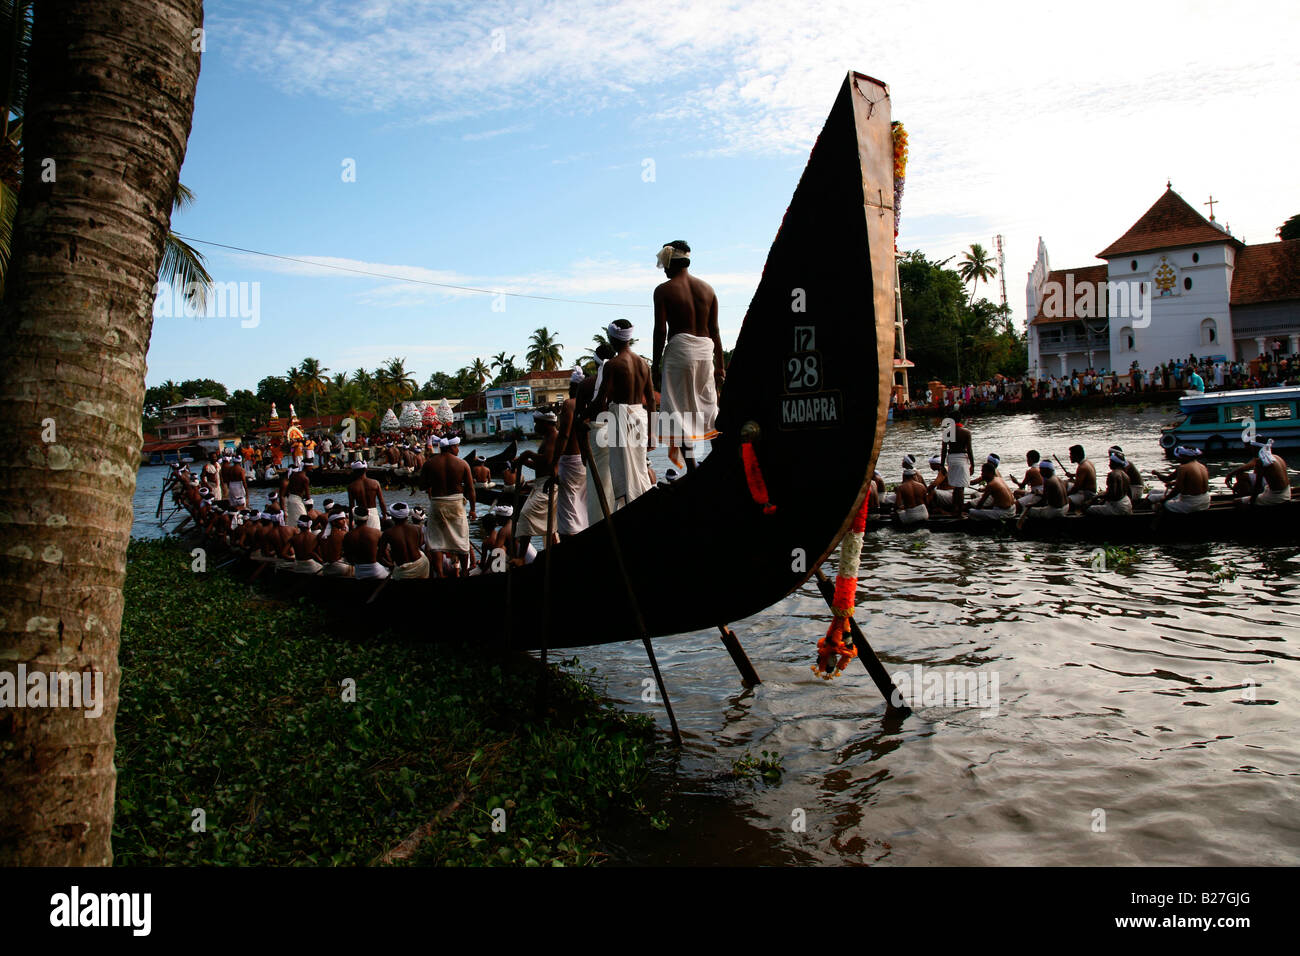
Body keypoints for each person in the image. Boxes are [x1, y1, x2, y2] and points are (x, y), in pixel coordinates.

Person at [651, 240, 722, 473]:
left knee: (676, 410)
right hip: (705, 350)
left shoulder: (663, 290)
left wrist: (655, 365)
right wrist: (720, 365)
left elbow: (660, 330)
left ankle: (691, 467)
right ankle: (720, 455)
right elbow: (715, 331)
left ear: (671, 263)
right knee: (708, 404)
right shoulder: (708, 289)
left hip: (679, 350)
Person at [596, 319, 656, 510]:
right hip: (640, 417)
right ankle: (644, 506)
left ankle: (633, 510)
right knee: (639, 468)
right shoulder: (644, 364)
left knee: (623, 472)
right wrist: (652, 435)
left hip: (621, 419)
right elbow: (652, 401)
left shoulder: (612, 365)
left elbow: (601, 400)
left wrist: (584, 418)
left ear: (613, 339)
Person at [419, 437, 474, 576]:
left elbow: (422, 486)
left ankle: (440, 574)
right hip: (456, 505)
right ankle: (465, 572)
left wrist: (435, 481)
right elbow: (471, 489)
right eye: (457, 447)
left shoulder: (429, 464)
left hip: (437, 503)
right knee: (462, 540)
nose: (458, 449)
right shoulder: (462, 464)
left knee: (437, 542)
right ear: (450, 447)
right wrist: (473, 509)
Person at [578, 343, 615, 524]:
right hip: (619, 432)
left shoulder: (586, 384)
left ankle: (600, 522)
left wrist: (583, 451)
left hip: (598, 434)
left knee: (598, 484)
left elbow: (579, 420)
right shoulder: (621, 377)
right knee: (616, 481)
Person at [552, 368, 589, 539]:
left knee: (568, 514)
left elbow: (565, 435)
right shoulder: (592, 403)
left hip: (571, 461)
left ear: (573, 387)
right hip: (587, 461)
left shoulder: (570, 404)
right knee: (583, 508)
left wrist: (554, 463)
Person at [513, 412, 560, 550]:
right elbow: (541, 465)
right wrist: (523, 461)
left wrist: (528, 454)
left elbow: (547, 460)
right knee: (548, 525)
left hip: (548, 484)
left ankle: (521, 557)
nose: (535, 426)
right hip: (541, 482)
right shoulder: (547, 437)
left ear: (545, 423)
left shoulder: (554, 437)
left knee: (525, 515)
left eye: (537, 423)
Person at [381, 502, 430, 579]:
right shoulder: (417, 529)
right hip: (421, 564)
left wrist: (390, 565)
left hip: (403, 570)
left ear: (393, 518)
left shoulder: (388, 533)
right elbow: (420, 544)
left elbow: (380, 554)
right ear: (407, 517)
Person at [1157, 447, 1210, 513]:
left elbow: (1178, 489)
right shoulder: (1202, 466)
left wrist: (1164, 500)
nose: (1177, 458)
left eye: (1179, 457)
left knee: (1165, 504)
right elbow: (1192, 482)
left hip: (1192, 504)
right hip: (1206, 501)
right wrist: (1173, 483)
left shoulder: (1183, 468)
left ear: (1184, 457)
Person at [1018, 459, 1068, 525]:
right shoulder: (1057, 478)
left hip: (1057, 511)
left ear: (1046, 470)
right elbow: (1051, 495)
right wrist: (1040, 494)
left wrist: (1031, 505)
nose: (1040, 472)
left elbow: (1043, 502)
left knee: (1027, 510)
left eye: (1041, 470)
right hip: (1066, 507)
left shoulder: (1049, 481)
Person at [343, 505, 388, 579]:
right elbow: (384, 554)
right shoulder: (376, 533)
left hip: (359, 573)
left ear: (354, 519)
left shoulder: (348, 536)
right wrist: (390, 565)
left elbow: (349, 558)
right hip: (376, 571)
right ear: (367, 517)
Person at [940, 420, 974, 515]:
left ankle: (955, 508)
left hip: (951, 459)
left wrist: (942, 465)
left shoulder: (947, 432)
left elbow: (944, 450)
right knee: (961, 487)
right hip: (961, 459)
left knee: (956, 486)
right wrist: (972, 465)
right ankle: (959, 511)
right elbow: (969, 450)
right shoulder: (966, 432)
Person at [968, 455, 1016, 520]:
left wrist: (974, 511)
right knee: (975, 496)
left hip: (1005, 513)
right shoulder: (998, 478)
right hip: (1013, 509)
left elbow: (980, 504)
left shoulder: (991, 484)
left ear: (989, 472)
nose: (981, 474)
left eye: (983, 472)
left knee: (970, 511)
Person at [1088, 450, 1133, 516]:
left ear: (1115, 463)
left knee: (1088, 509)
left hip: (1118, 507)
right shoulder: (1126, 475)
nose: (1109, 464)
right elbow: (1129, 494)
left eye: (1110, 462)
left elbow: (1112, 494)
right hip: (1127, 504)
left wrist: (1097, 497)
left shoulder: (1113, 474)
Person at [1248, 440, 1292, 506]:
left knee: (1239, 501)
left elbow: (1258, 486)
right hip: (1287, 493)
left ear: (1255, 448)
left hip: (1277, 497)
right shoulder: (1277, 457)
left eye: (1251, 448)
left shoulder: (1261, 462)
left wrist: (1251, 501)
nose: (1251, 450)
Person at [346, 460, 387, 530]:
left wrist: (350, 523)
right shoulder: (375, 483)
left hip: (359, 514)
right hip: (373, 513)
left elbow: (351, 506)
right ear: (365, 469)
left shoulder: (351, 486)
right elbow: (382, 502)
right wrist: (384, 516)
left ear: (354, 471)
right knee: (375, 535)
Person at [317, 511, 354, 576]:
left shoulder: (320, 535)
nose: (344, 521)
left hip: (326, 568)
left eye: (344, 518)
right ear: (334, 522)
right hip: (341, 568)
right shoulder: (343, 534)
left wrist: (322, 561)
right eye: (341, 519)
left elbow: (312, 551)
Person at [895, 461, 929, 525]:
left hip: (911, 517)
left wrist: (903, 507)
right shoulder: (922, 486)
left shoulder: (901, 487)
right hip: (924, 514)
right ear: (913, 476)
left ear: (904, 476)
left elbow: (897, 505)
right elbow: (927, 502)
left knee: (895, 514)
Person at [1064, 445, 1096, 512]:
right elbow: (1085, 476)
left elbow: (1076, 488)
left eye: (1071, 454)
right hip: (1085, 490)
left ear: (1076, 455)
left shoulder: (1082, 467)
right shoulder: (1087, 462)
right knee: (1064, 483)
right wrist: (1072, 475)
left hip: (1087, 494)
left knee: (1064, 501)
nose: (1070, 456)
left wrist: (1065, 495)